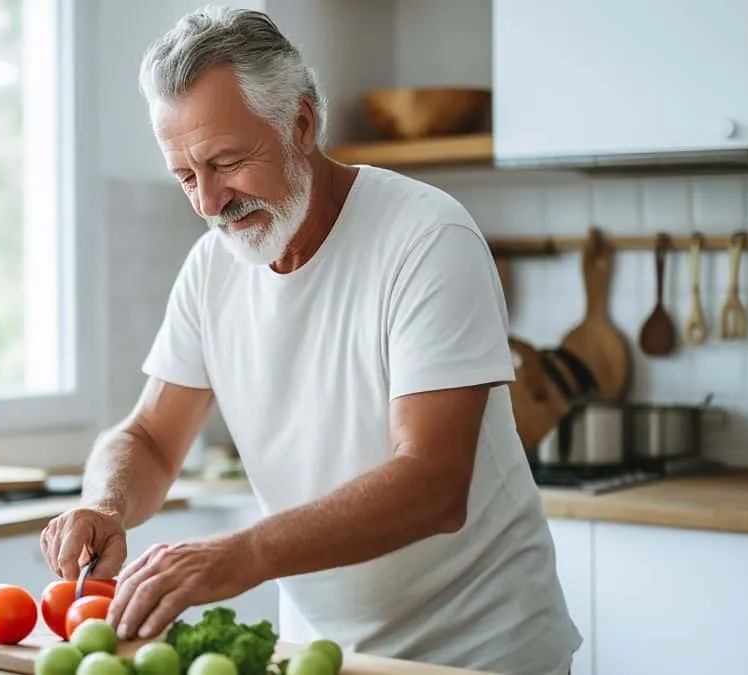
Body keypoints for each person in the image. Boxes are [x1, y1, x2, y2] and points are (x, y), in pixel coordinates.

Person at [40, 6, 581, 674]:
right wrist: (105, 502)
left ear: (300, 124)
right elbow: (150, 438)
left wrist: (239, 555)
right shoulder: (213, 270)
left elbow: (434, 481)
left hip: (480, 656)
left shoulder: (427, 238)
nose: (209, 202)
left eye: (227, 162)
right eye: (185, 175)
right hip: (324, 655)